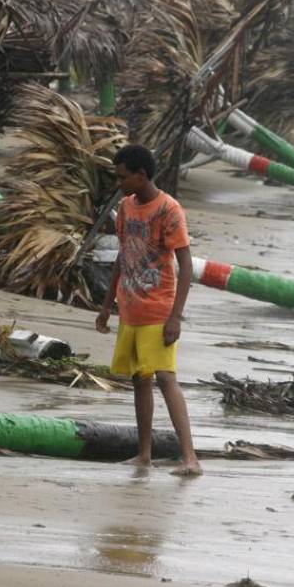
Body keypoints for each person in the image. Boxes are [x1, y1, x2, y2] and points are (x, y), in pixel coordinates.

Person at [96, 144, 202, 476]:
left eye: (123, 177)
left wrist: (175, 317)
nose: (119, 183)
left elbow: (185, 267)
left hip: (158, 309)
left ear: (141, 175)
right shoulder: (126, 208)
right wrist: (106, 306)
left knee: (166, 379)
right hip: (130, 308)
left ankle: (190, 458)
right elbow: (122, 255)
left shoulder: (169, 210)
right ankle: (144, 455)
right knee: (140, 380)